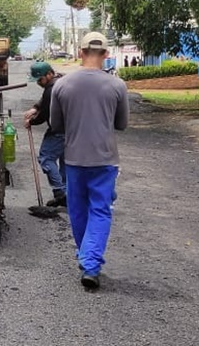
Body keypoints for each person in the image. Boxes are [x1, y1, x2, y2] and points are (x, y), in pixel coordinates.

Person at [49, 32, 129, 290]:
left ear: (80, 52)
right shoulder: (117, 86)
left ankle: (87, 258)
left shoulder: (62, 85)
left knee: (78, 210)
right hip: (105, 160)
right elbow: (122, 124)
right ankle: (90, 263)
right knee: (100, 209)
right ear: (106, 54)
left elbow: (56, 124)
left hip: (74, 159)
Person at [22, 61, 64, 219]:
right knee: (65, 162)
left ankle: (60, 192)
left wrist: (31, 121)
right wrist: (35, 107)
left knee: (46, 158)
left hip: (59, 130)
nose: (39, 83)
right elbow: (44, 100)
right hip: (74, 130)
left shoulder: (51, 89)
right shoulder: (61, 81)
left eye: (40, 79)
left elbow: (45, 113)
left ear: (49, 74)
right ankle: (67, 195)